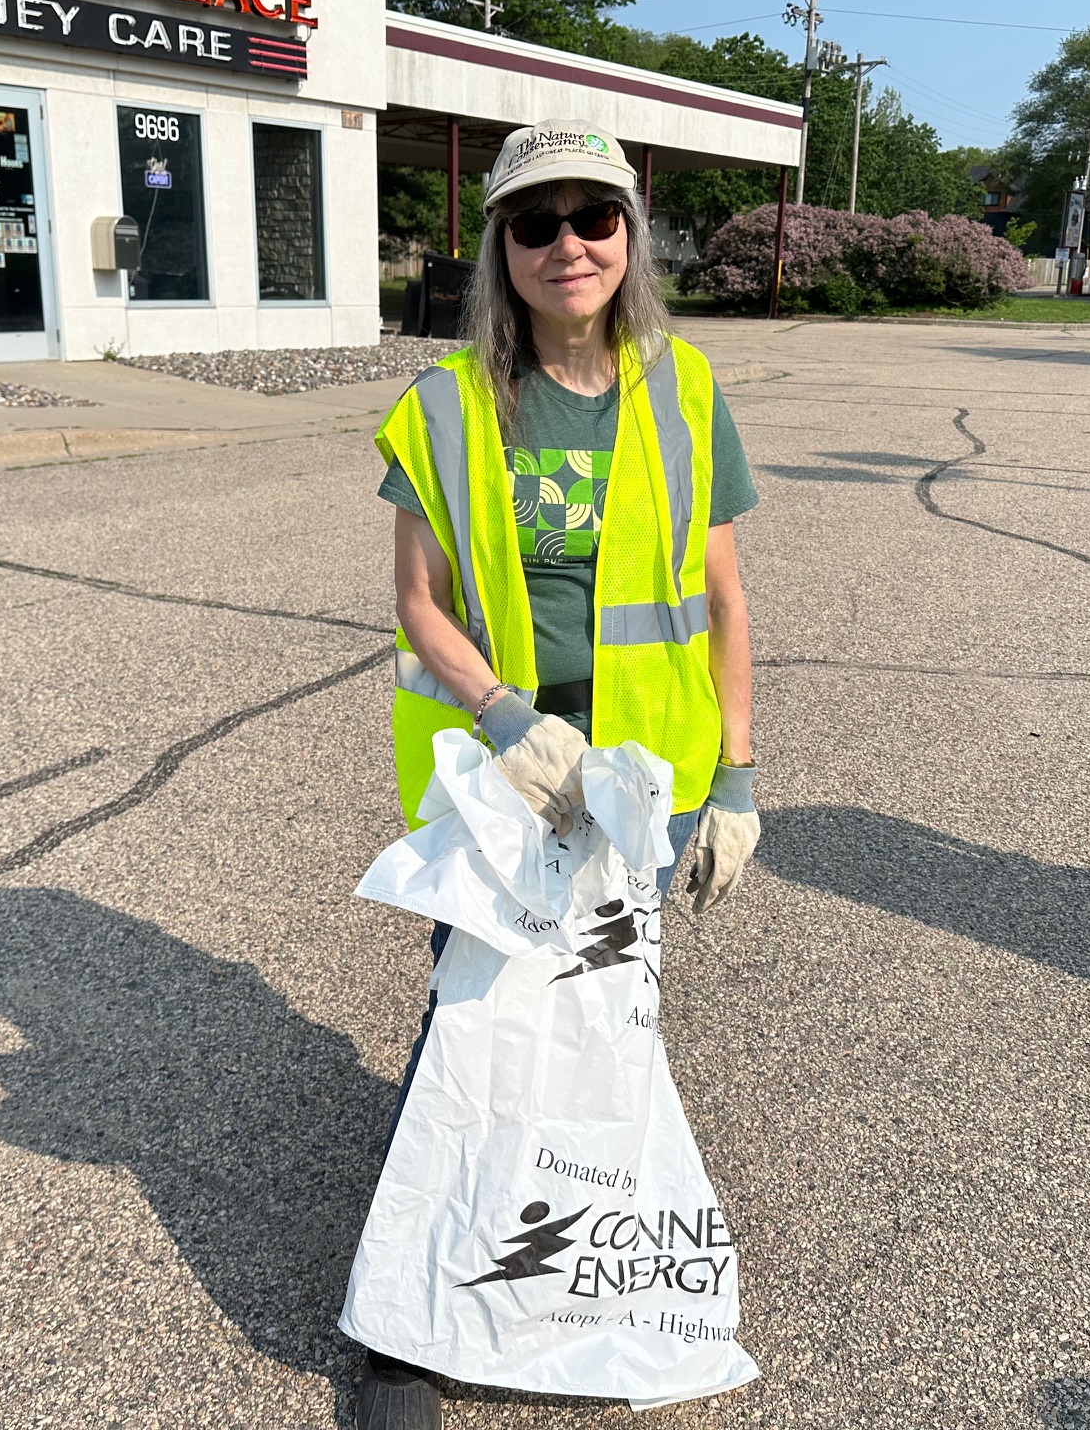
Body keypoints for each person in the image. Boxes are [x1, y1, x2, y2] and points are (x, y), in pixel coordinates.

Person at [354, 119, 761, 1430]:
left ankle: (567, 1254)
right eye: (536, 222)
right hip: (501, 766)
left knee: (600, 1017)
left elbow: (726, 596)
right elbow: (418, 605)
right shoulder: (443, 404)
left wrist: (739, 779)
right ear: (500, 249)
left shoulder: (685, 389)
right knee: (465, 1014)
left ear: (632, 238)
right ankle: (408, 1317)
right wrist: (507, 717)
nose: (568, 244)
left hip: (642, 771)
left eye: (596, 217)